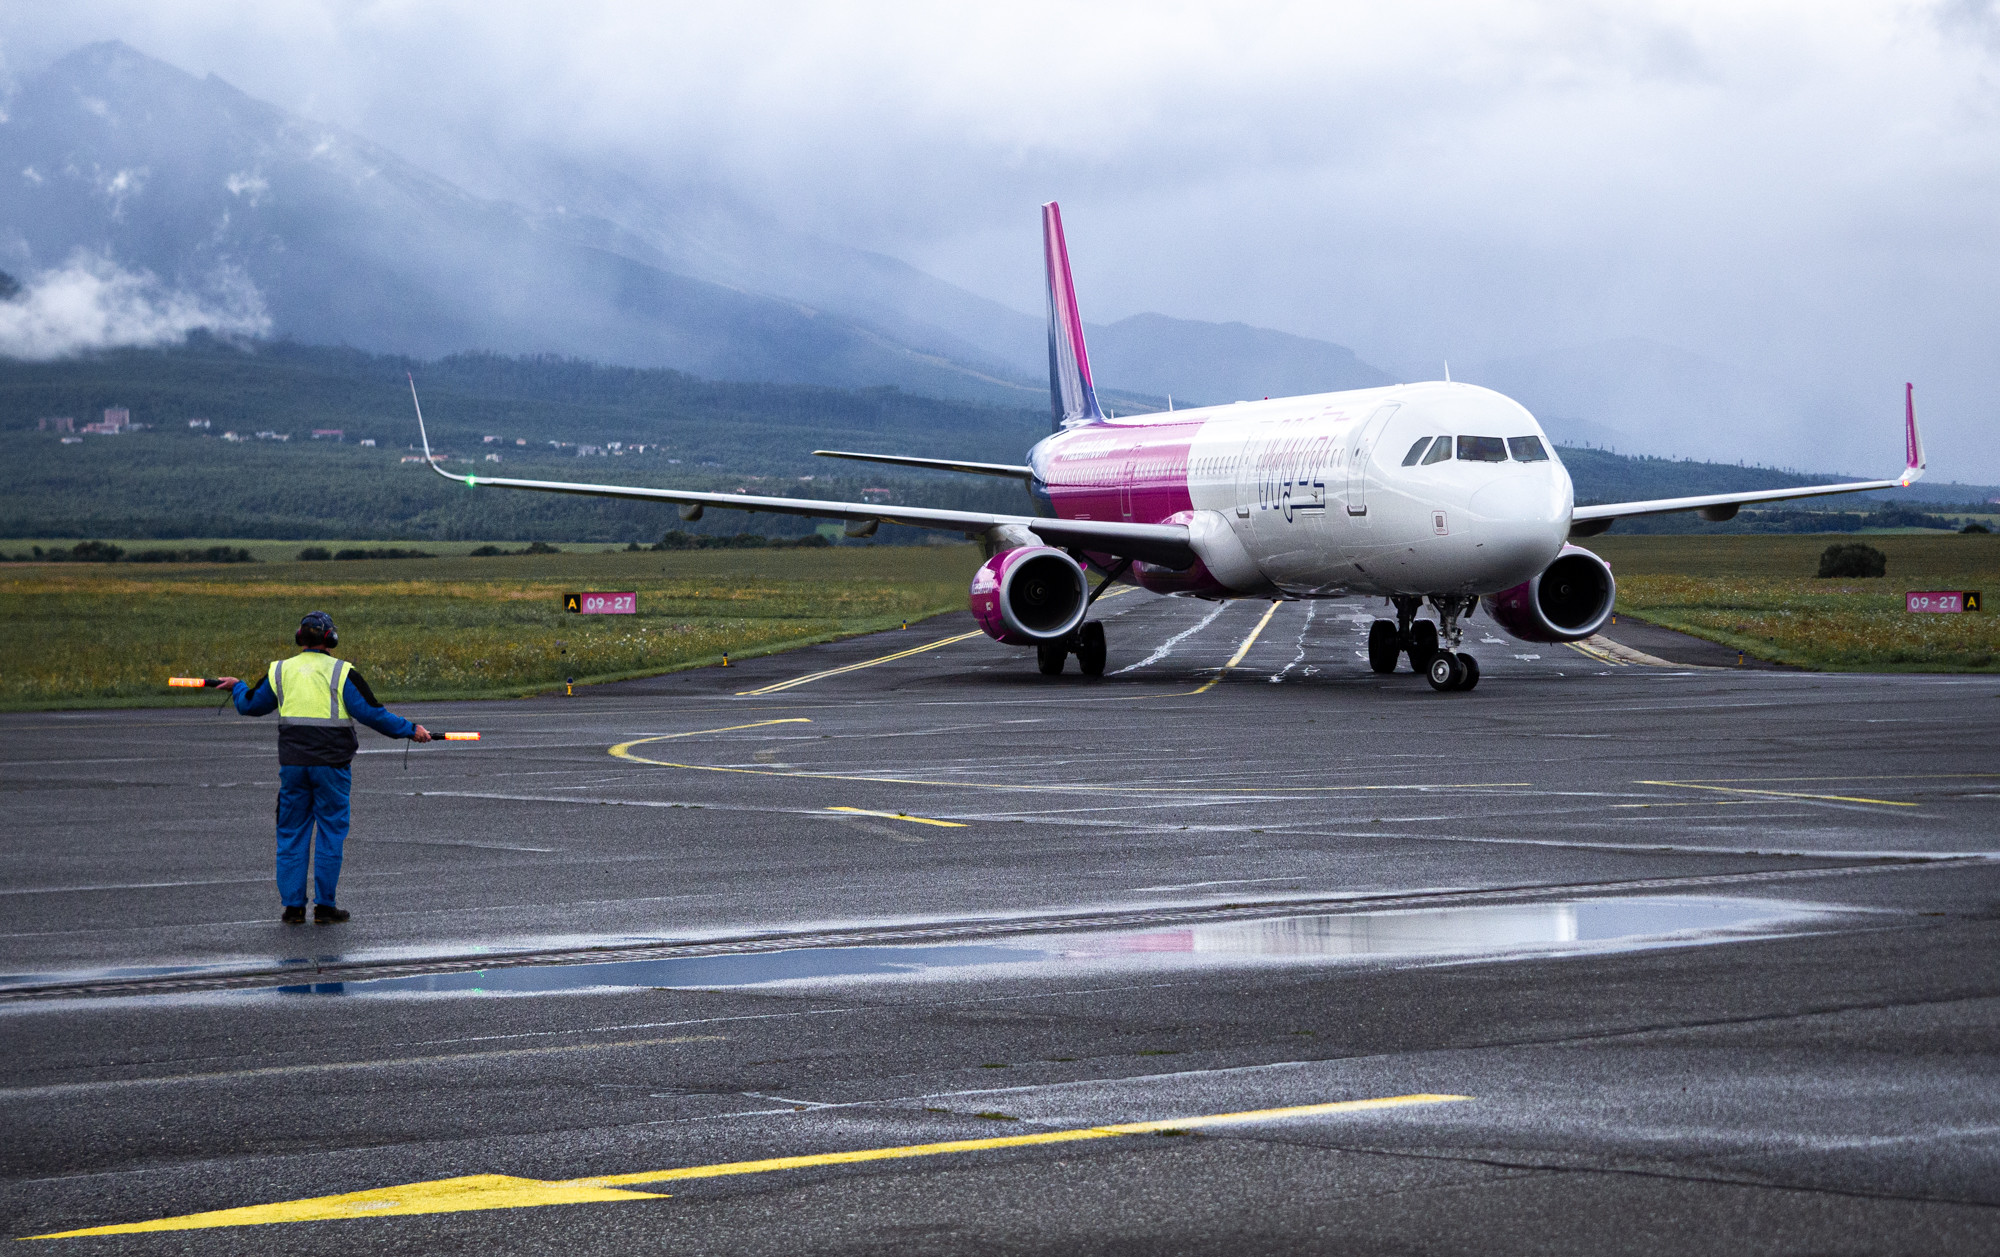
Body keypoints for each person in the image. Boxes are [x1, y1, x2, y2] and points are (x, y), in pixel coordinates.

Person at [217, 611, 431, 924]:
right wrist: (410, 729)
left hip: (294, 767)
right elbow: (373, 714)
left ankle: (292, 908)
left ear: (300, 637)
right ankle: (325, 907)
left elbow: (250, 704)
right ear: (331, 638)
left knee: (291, 835)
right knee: (331, 833)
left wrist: (237, 687)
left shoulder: (281, 670)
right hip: (332, 767)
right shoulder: (342, 673)